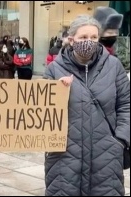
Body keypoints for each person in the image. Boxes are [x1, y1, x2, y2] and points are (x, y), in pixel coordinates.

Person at [44, 15, 130, 196]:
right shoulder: (53, 70)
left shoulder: (114, 66)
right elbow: (40, 109)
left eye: (94, 38)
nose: (89, 42)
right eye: (83, 38)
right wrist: (56, 90)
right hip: (64, 157)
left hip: (106, 156)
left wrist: (120, 140)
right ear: (71, 39)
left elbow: (126, 104)